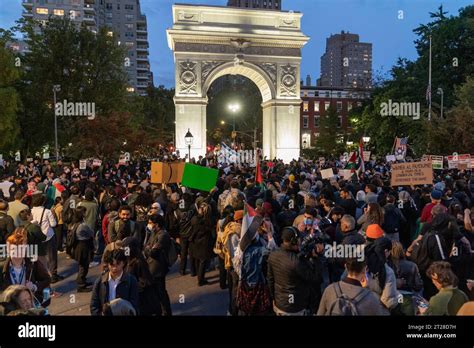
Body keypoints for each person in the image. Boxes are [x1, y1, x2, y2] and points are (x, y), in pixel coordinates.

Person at [267, 226, 319, 315]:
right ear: (294, 241)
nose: (300, 242)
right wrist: (317, 258)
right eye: (298, 239)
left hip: (279, 303)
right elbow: (314, 278)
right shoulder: (296, 262)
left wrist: (274, 298)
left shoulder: (273, 255)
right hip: (295, 307)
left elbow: (270, 280)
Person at [317, 258, 389, 315]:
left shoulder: (330, 290)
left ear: (345, 266)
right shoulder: (372, 298)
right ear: (365, 269)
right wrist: (366, 289)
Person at [0, 230, 51, 300]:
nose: (18, 252)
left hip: (29, 304)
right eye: (13, 249)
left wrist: (34, 287)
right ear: (8, 250)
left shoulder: (33, 263)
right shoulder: (2, 268)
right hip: (10, 306)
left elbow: (47, 279)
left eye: (21, 248)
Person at [90, 249, 139, 316]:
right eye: (111, 264)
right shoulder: (100, 282)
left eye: (118, 264)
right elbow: (94, 305)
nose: (114, 268)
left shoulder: (131, 281)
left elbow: (134, 304)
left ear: (123, 263)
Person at [122, 236, 161, 316]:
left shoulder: (138, 262)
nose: (124, 250)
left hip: (143, 300)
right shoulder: (127, 261)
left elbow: (146, 281)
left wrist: (132, 286)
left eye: (125, 248)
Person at [143, 214, 172, 316]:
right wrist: (148, 248)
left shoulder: (163, 235)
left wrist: (148, 249)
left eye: (151, 223)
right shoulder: (153, 233)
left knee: (161, 292)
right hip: (152, 266)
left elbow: (152, 252)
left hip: (158, 268)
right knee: (157, 292)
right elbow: (146, 246)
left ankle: (166, 312)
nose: (149, 225)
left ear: (157, 224)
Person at [30, 193, 62, 283]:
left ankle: (42, 275)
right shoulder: (47, 211)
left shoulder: (30, 211)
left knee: (39, 258)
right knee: (51, 257)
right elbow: (53, 224)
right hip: (48, 236)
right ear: (43, 202)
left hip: (36, 237)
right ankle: (53, 275)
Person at [364, 236, 401, 312]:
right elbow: (388, 301)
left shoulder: (361, 262)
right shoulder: (387, 271)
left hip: (358, 306)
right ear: (386, 251)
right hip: (376, 309)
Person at [388, 241, 423, 315]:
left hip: (391, 298)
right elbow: (418, 285)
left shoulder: (385, 266)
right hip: (407, 297)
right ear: (402, 251)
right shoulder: (412, 265)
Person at [189, 200, 214, 286]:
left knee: (198, 260)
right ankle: (201, 279)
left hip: (195, 242)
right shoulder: (207, 220)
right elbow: (211, 230)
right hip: (204, 242)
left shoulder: (194, 219)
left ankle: (199, 277)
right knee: (203, 261)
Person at [70, 207, 94, 292]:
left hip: (78, 247)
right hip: (84, 247)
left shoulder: (75, 223)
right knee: (84, 267)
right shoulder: (83, 225)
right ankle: (81, 285)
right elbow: (91, 233)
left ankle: (82, 280)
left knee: (82, 265)